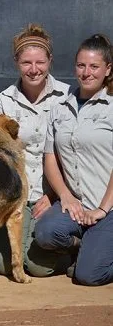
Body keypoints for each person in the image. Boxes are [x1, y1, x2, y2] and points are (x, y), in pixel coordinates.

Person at [0, 24, 72, 277]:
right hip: (17, 194)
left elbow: (72, 154)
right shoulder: (3, 101)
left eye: (40, 62)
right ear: (16, 62)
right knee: (3, 266)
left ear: (50, 61)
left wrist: (54, 194)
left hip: (54, 193)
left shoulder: (67, 97)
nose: (34, 69)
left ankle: (75, 249)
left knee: (37, 268)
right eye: (27, 62)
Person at [34, 34, 113, 286]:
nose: (86, 72)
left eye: (94, 66)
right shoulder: (60, 108)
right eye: (81, 65)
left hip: (108, 205)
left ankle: (96, 252)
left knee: (89, 276)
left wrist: (102, 209)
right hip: (78, 204)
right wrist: (65, 195)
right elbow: (50, 157)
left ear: (108, 69)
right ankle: (87, 246)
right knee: (45, 233)